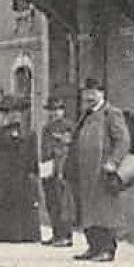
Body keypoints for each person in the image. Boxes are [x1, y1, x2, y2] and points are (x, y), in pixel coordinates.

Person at [63, 77, 131, 261]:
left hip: (102, 171)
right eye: (86, 92)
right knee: (87, 210)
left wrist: (113, 161)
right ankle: (93, 247)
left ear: (102, 93)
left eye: (93, 92)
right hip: (84, 172)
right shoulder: (86, 114)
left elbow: (123, 140)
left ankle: (107, 249)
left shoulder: (111, 113)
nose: (89, 96)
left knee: (105, 210)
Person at [0, 94, 40, 243]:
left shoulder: (28, 133)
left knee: (21, 201)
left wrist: (33, 172)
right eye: (10, 113)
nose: (14, 116)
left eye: (17, 113)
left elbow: (32, 154)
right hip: (2, 172)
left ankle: (22, 234)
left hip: (21, 172)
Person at [38, 95, 75, 247]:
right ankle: (56, 233)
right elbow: (44, 148)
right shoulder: (47, 128)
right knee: (50, 200)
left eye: (58, 109)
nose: (54, 113)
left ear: (63, 111)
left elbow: (70, 145)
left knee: (62, 201)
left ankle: (66, 235)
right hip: (47, 166)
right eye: (51, 110)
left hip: (61, 166)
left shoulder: (69, 126)